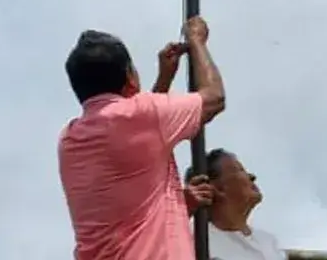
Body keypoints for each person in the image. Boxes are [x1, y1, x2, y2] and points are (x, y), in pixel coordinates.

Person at [58, 17, 227, 259]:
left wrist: (180, 203)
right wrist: (197, 41)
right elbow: (214, 98)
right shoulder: (139, 116)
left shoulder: (70, 139)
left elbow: (140, 148)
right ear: (129, 76)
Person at [189, 149, 284, 260]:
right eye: (240, 170)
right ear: (219, 188)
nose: (252, 177)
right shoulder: (190, 239)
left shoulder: (269, 242)